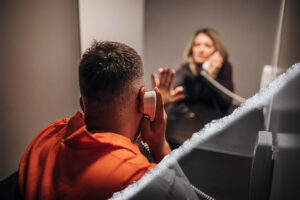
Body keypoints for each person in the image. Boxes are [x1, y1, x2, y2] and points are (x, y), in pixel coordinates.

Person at [18, 41, 198, 200]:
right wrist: (159, 145)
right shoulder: (141, 178)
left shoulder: (46, 135)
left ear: (83, 103)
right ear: (143, 100)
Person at [152, 28, 234, 147]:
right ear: (192, 48)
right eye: (197, 45)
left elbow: (226, 103)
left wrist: (212, 75)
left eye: (207, 46)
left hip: (214, 130)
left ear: (216, 51)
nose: (201, 49)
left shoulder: (225, 68)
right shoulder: (187, 69)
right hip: (187, 128)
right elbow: (175, 88)